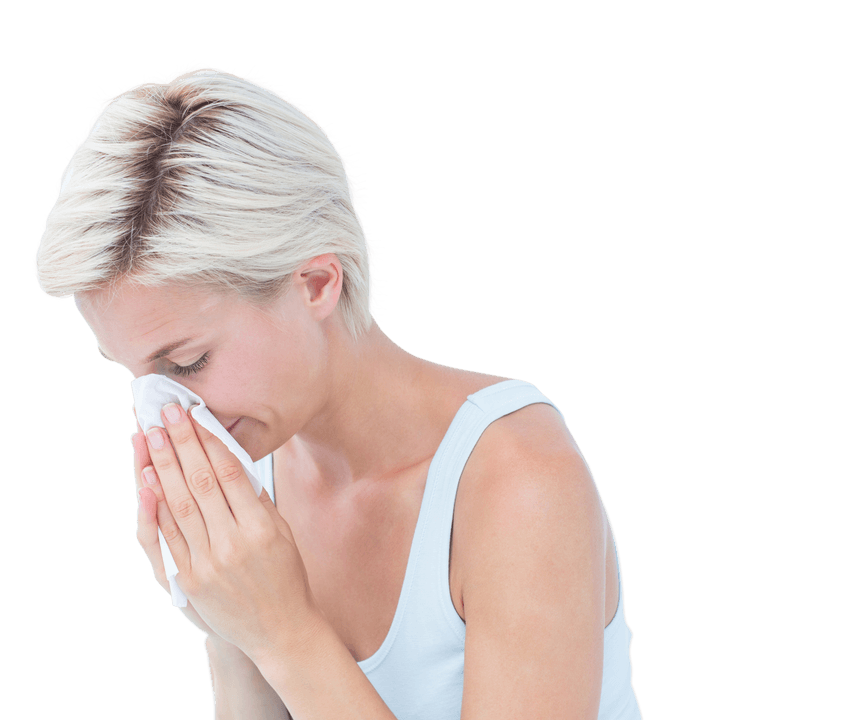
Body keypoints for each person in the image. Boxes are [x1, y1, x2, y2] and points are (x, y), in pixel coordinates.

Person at [32, 63, 643, 719]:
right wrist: (227, 621)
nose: (168, 415)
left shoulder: (518, 480)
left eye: (188, 362)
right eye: (135, 377)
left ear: (318, 284)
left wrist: (283, 632)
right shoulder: (253, 481)